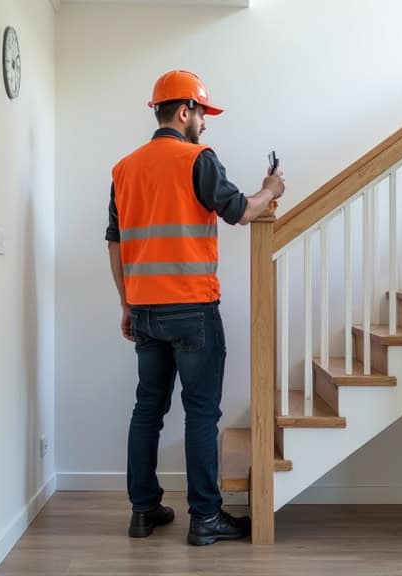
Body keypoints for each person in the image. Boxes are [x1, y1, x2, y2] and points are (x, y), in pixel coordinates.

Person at [105, 70, 285, 546]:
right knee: (201, 413)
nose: (205, 124)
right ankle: (205, 518)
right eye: (203, 113)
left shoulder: (124, 168)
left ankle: (143, 511)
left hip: (143, 308)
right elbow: (242, 211)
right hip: (191, 310)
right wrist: (271, 189)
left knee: (148, 410)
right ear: (183, 111)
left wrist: (127, 303)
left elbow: (115, 242)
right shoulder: (197, 158)